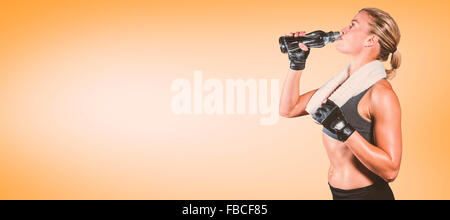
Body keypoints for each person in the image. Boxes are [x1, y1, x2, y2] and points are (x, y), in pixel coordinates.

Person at [279, 8, 402, 200]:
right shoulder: (340, 87)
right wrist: (297, 63)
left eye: (353, 25)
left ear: (371, 40)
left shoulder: (380, 94)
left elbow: (391, 170)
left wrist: (343, 129)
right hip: (339, 195)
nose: (344, 29)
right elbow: (288, 109)